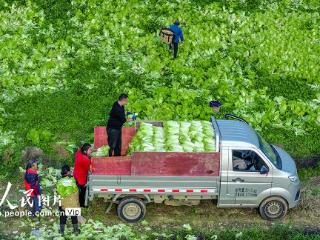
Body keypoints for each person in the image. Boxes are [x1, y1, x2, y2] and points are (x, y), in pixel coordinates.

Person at [57, 165, 80, 236]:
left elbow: (59, 193)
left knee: (63, 216)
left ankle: (62, 232)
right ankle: (76, 230)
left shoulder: (60, 181)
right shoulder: (73, 180)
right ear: (68, 172)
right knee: (74, 216)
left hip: (64, 202)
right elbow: (77, 190)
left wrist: (60, 205)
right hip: (72, 201)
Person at [73, 143, 92, 207]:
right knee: (82, 192)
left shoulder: (78, 153)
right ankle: (82, 204)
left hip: (76, 175)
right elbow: (90, 170)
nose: (91, 151)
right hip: (81, 178)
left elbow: (80, 149)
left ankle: (78, 201)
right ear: (85, 151)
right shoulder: (85, 159)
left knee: (78, 190)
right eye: (90, 150)